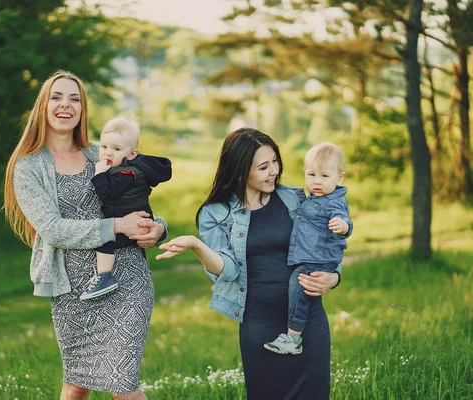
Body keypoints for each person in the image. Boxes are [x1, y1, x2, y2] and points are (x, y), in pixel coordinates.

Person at [3, 70, 166, 400]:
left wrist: (158, 227)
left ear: (83, 109)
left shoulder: (102, 151)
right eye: (57, 97)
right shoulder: (28, 166)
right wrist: (117, 227)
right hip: (71, 290)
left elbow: (136, 199)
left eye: (74, 99)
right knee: (77, 384)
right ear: (43, 106)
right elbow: (53, 230)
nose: (66, 105)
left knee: (122, 382)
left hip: (126, 280)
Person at [156, 128, 341, 400]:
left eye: (275, 161)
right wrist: (197, 246)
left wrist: (334, 277)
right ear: (241, 172)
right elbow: (228, 270)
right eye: (264, 167)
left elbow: (327, 241)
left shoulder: (294, 198)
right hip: (259, 322)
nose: (274, 171)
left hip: (307, 320)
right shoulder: (216, 213)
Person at [264, 142, 352, 355]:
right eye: (312, 175)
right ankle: (292, 336)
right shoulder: (312, 198)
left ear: (339, 178)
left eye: (324, 176)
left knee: (299, 285)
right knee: (299, 286)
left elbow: (344, 218)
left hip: (318, 259)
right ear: (304, 173)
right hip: (312, 256)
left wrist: (342, 225)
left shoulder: (333, 201)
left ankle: (293, 338)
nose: (317, 182)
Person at [80, 116, 172, 300]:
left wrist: (99, 174)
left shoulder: (126, 173)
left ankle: (104, 276)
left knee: (104, 238)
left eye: (116, 149)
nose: (108, 153)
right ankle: (104, 276)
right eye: (104, 147)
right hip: (132, 217)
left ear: (132, 154)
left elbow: (108, 194)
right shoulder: (122, 169)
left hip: (130, 222)